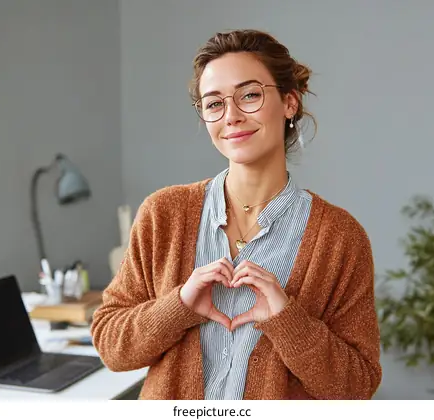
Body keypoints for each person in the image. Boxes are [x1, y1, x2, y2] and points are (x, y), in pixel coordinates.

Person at [91, 29, 382, 400]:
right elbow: (110, 344)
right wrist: (178, 306)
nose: (231, 116)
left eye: (249, 95)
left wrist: (288, 320)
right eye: (214, 103)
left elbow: (357, 386)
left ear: (289, 103)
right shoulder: (162, 215)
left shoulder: (340, 238)